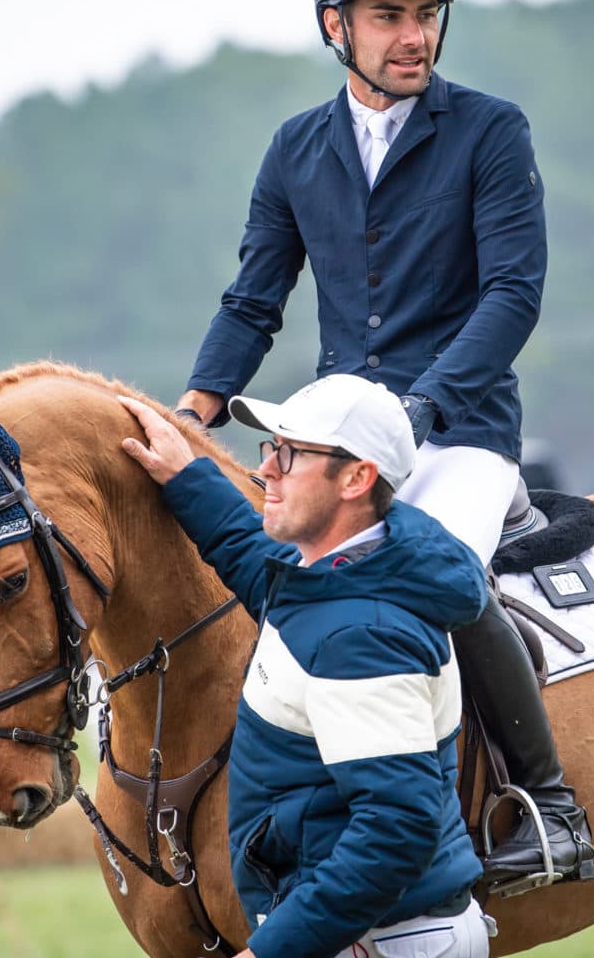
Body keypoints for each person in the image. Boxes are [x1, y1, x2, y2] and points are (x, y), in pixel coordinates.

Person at [173, 0, 594, 884]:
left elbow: (512, 296)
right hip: (334, 436)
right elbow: (254, 298)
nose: (415, 36)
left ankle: (549, 806)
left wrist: (422, 410)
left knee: (441, 574)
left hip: (462, 433)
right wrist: (192, 413)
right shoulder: (294, 149)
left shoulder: (491, 131)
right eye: (390, 16)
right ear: (337, 27)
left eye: (427, 16)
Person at [120, 375, 493, 958]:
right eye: (271, 449)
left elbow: (397, 830)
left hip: (381, 943)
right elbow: (252, 555)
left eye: (289, 454)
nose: (266, 469)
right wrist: (187, 474)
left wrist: (272, 952)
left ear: (356, 478)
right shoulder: (333, 574)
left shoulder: (360, 634)